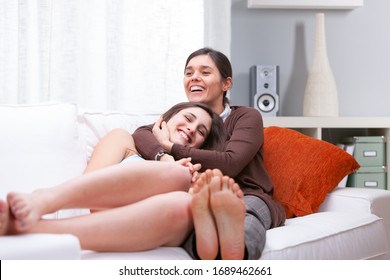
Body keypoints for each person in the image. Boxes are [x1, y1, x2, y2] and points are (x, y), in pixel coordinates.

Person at [0, 102, 226, 251]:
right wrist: (165, 160)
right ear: (163, 120)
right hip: (103, 214)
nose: (191, 129)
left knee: (184, 204)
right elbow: (93, 202)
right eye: (188, 118)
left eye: (201, 132)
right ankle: (43, 199)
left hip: (152, 228)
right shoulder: (124, 141)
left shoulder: (192, 174)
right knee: (176, 175)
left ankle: (33, 231)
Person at [132, 47, 286, 260]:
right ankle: (206, 252)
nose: (194, 77)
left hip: (247, 195)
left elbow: (230, 162)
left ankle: (236, 253)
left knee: (244, 215)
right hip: (201, 197)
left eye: (205, 72)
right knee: (189, 222)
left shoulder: (245, 117)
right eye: (189, 73)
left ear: (226, 84)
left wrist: (171, 147)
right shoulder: (184, 118)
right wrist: (165, 158)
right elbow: (143, 133)